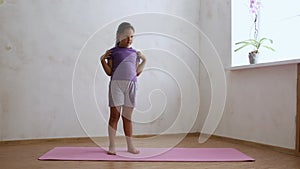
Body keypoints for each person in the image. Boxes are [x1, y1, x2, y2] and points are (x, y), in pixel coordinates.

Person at [100, 22, 146, 155]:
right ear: (119, 36)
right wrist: (102, 60)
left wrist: (144, 60)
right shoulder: (112, 52)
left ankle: (130, 146)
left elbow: (137, 72)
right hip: (116, 85)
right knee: (114, 116)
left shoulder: (134, 53)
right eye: (126, 36)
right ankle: (112, 145)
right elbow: (109, 72)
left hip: (131, 85)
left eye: (132, 36)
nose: (129, 39)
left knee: (128, 117)